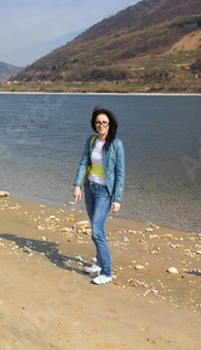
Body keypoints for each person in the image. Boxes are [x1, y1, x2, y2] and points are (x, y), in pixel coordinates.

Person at [73, 107, 125, 285]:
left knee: (96, 230)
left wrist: (117, 198)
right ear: (94, 124)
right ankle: (99, 262)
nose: (101, 125)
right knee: (96, 229)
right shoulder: (91, 141)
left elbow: (120, 173)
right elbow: (83, 163)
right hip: (90, 188)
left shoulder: (116, 145)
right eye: (98, 122)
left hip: (104, 192)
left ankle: (107, 272)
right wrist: (77, 185)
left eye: (104, 122)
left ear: (110, 125)